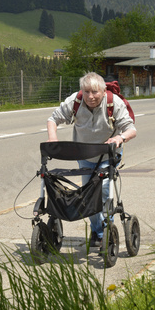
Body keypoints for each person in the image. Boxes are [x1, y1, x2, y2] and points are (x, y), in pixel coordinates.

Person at [47, 72, 137, 248]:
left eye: (95, 92)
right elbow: (53, 119)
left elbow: (131, 129)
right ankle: (98, 231)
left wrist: (119, 138)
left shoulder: (114, 103)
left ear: (103, 91)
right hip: (85, 155)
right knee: (88, 196)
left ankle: (105, 231)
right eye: (86, 91)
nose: (90, 96)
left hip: (108, 155)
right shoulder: (76, 101)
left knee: (102, 190)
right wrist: (52, 138)